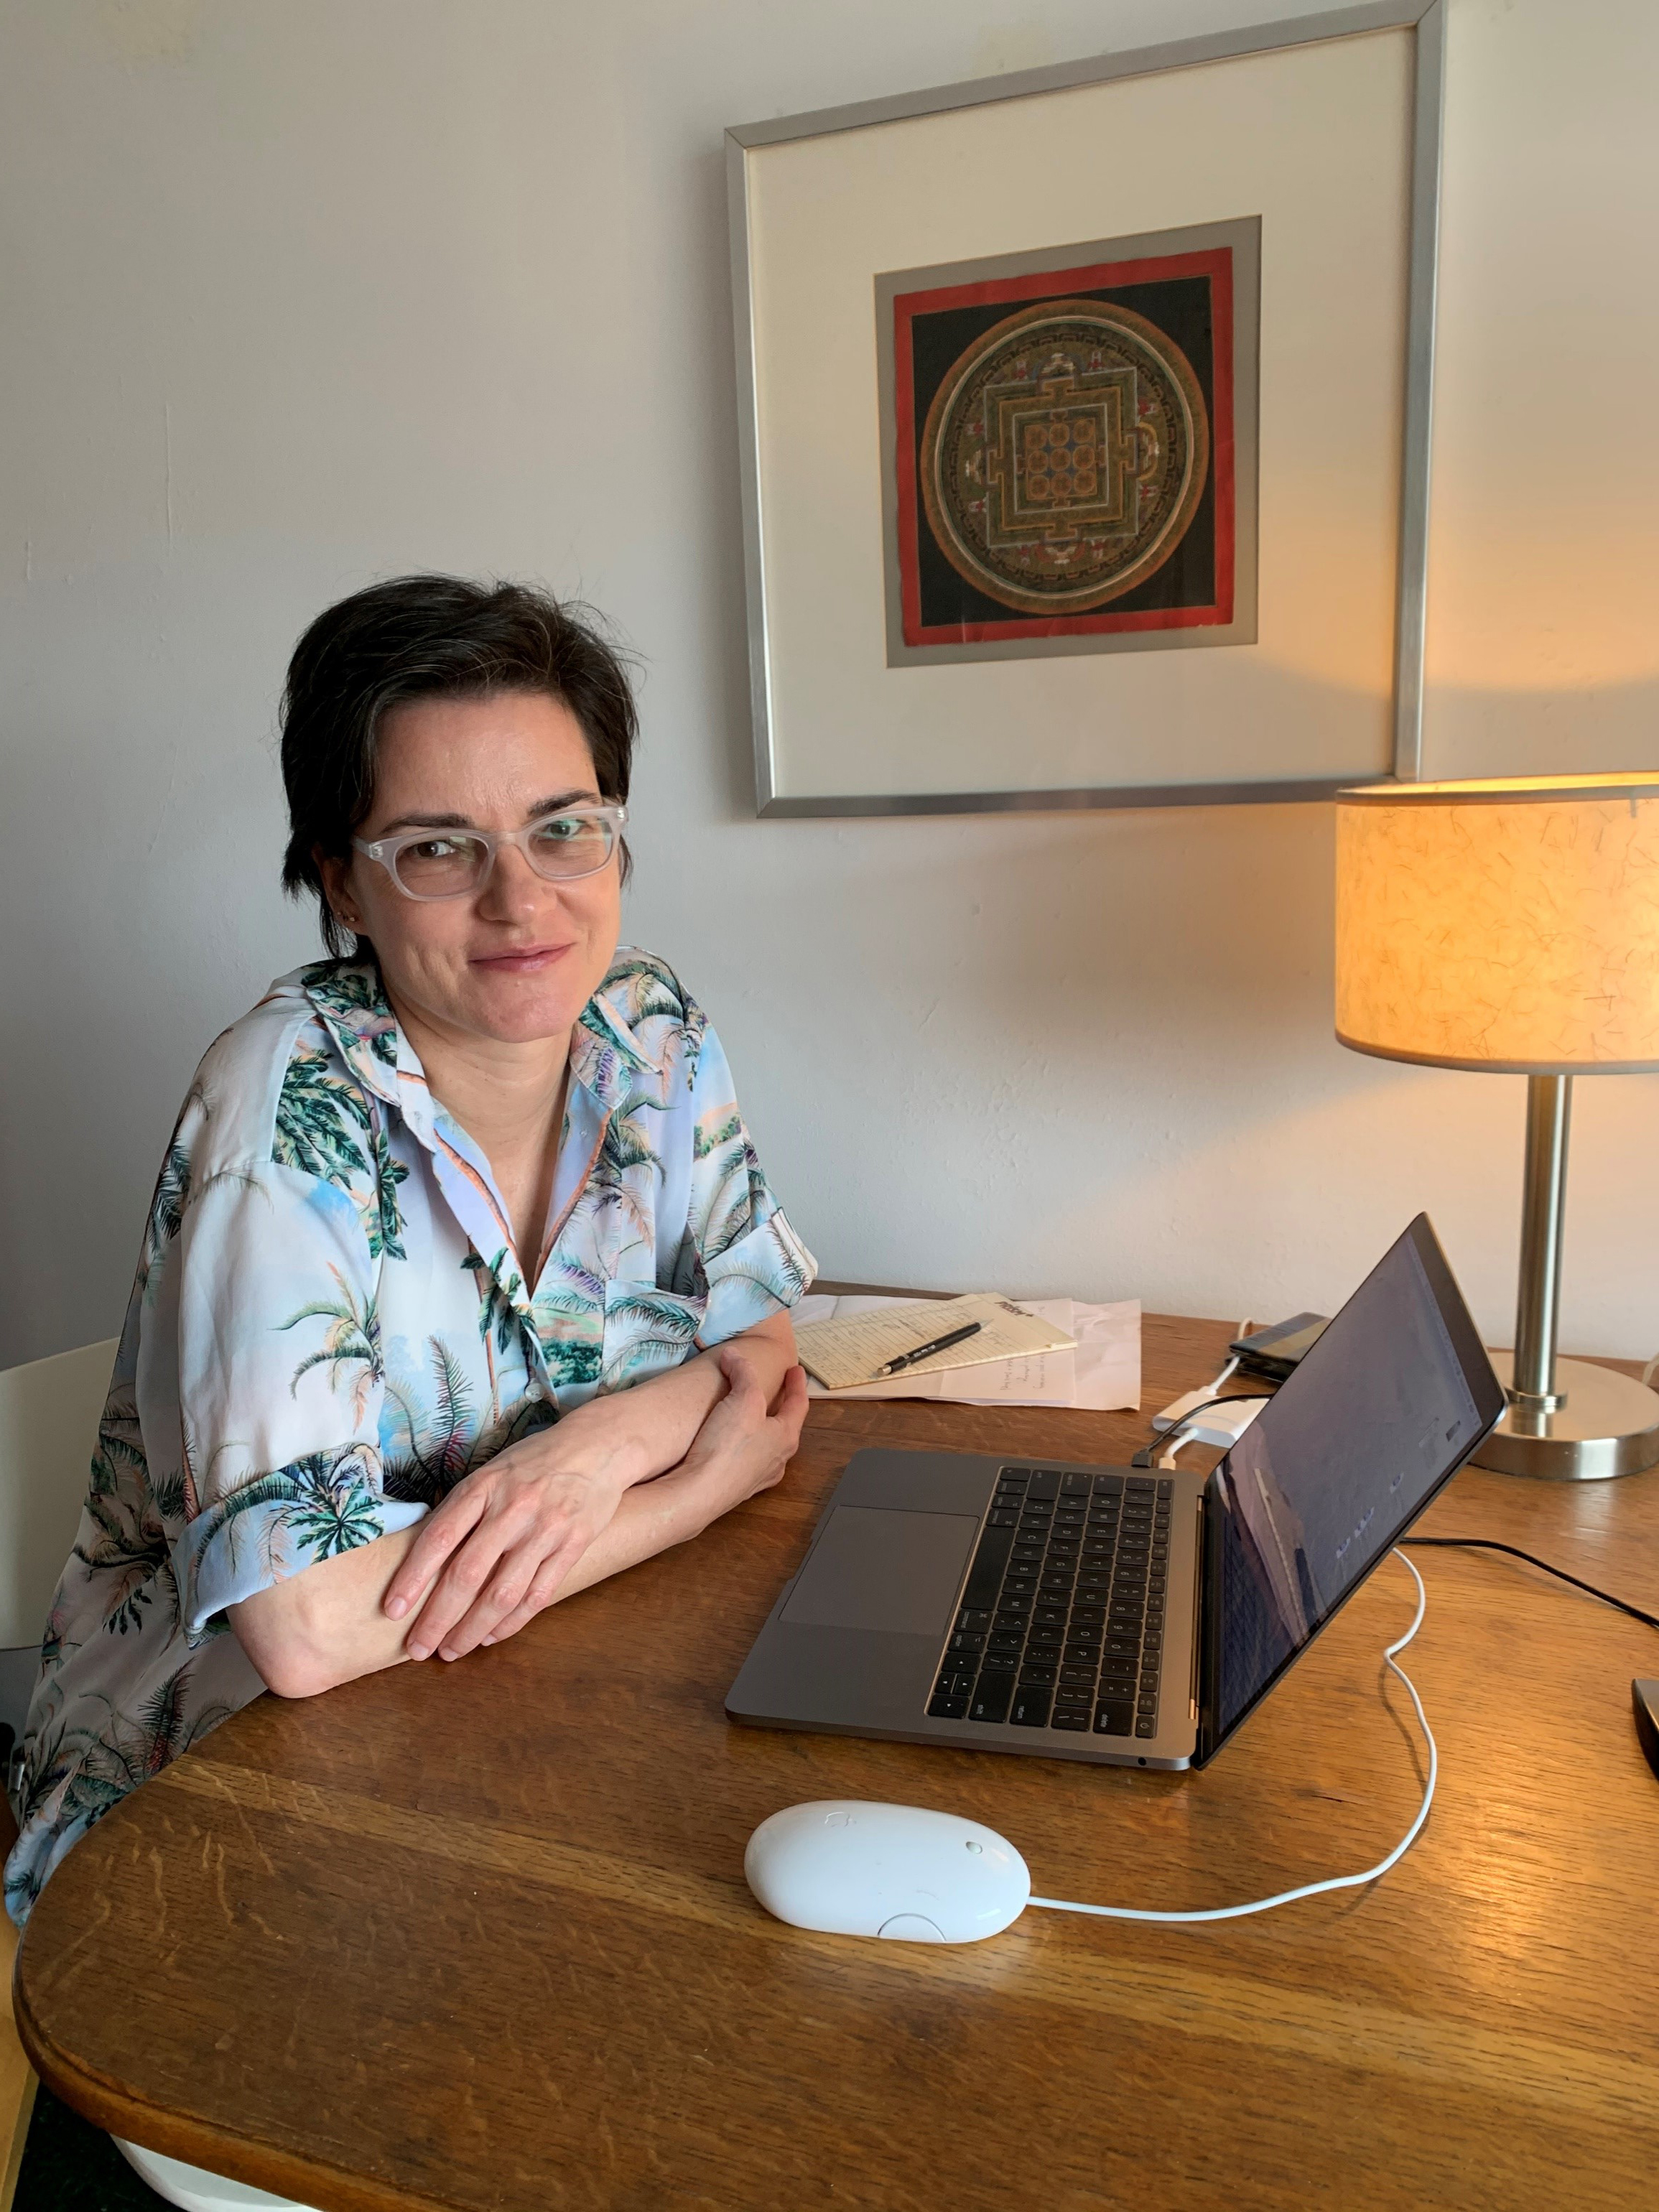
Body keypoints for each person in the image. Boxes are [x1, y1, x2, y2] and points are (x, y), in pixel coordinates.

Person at [4, 575, 815, 1928]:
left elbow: (762, 1346)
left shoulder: (650, 1026)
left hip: (510, 1705)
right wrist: (694, 1486)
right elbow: (309, 1635)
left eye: (566, 829)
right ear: (343, 883)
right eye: (439, 848)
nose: (523, 899)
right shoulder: (285, 1116)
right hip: (213, 1803)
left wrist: (596, 1451)